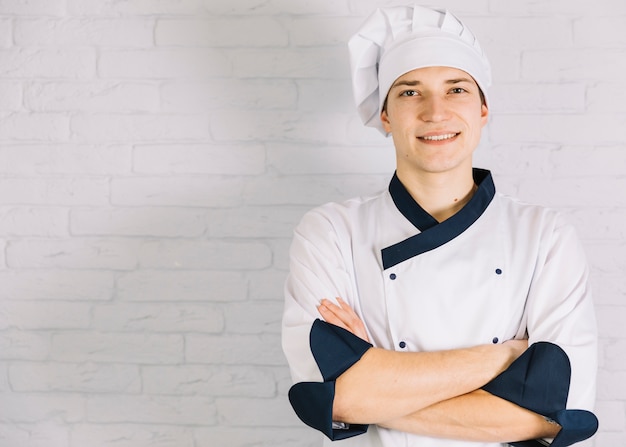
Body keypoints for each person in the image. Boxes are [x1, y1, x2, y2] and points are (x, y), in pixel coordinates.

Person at [281, 5, 598, 447]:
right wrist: (506, 357)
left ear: (483, 109)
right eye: (410, 92)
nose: (435, 112)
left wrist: (375, 381)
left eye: (456, 89)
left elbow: (558, 413)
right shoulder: (331, 232)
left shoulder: (544, 235)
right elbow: (331, 398)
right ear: (386, 115)